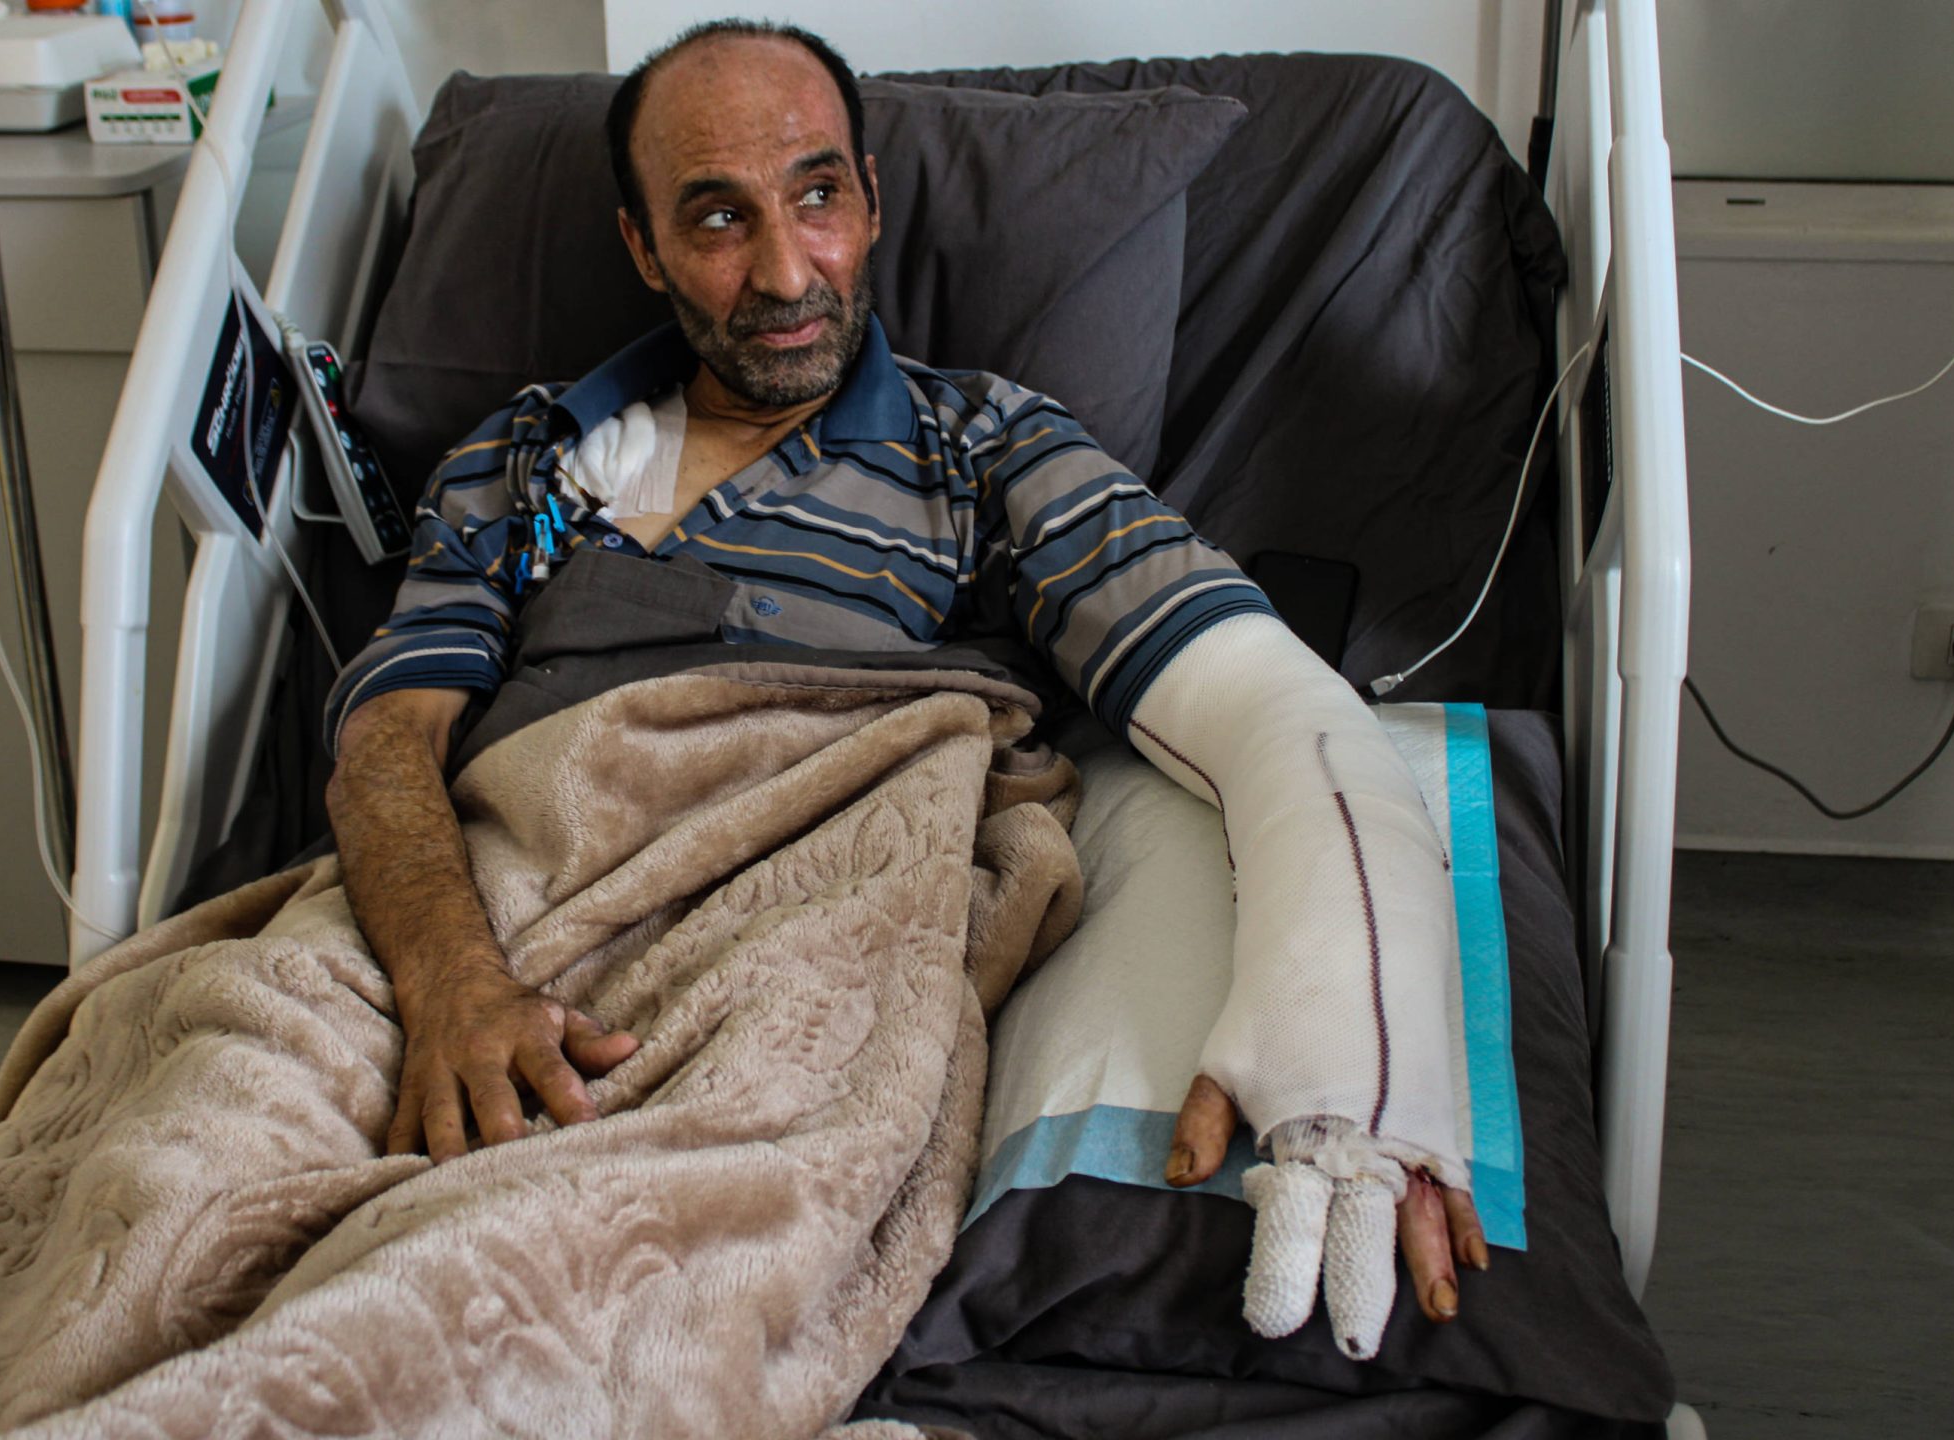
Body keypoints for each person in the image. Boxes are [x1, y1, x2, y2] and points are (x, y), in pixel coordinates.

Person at [323, 19, 1484, 1358]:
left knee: (611, 1299)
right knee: (186, 1162)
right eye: (718, 219)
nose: (785, 272)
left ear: (870, 199)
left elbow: (1270, 705)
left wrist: (1351, 1043)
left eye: (817, 195)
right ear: (643, 247)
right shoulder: (526, 456)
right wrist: (452, 987)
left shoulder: (985, 446)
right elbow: (387, 744)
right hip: (475, 925)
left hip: (785, 941)